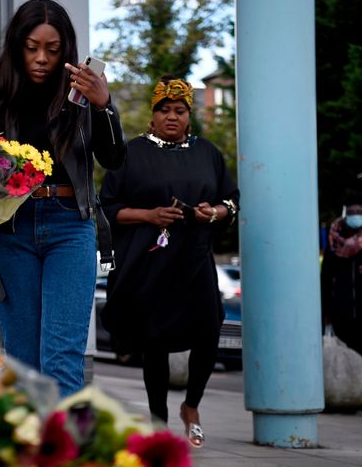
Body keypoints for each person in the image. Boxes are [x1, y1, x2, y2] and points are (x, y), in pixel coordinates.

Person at [0, 0, 126, 397]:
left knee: (61, 358)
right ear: (17, 46)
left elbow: (115, 158)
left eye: (52, 51)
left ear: (65, 50)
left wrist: (105, 105)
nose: (41, 59)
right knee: (22, 363)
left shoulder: (84, 96)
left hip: (71, 225)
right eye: (32, 47)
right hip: (12, 231)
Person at [99, 75, 239, 447]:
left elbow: (232, 201)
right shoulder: (131, 153)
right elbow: (108, 209)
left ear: (189, 116)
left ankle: (191, 407)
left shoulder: (207, 152)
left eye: (179, 110)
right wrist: (150, 216)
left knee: (210, 330)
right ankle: (158, 419)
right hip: (150, 263)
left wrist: (216, 212)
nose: (172, 117)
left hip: (194, 261)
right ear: (153, 114)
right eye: (164, 110)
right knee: (155, 342)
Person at [321, 195, 362, 413]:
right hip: (342, 308)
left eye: (359, 212)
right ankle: (355, 394)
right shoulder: (335, 239)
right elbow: (325, 277)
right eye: (351, 212)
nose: (355, 217)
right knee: (349, 351)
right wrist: (325, 309)